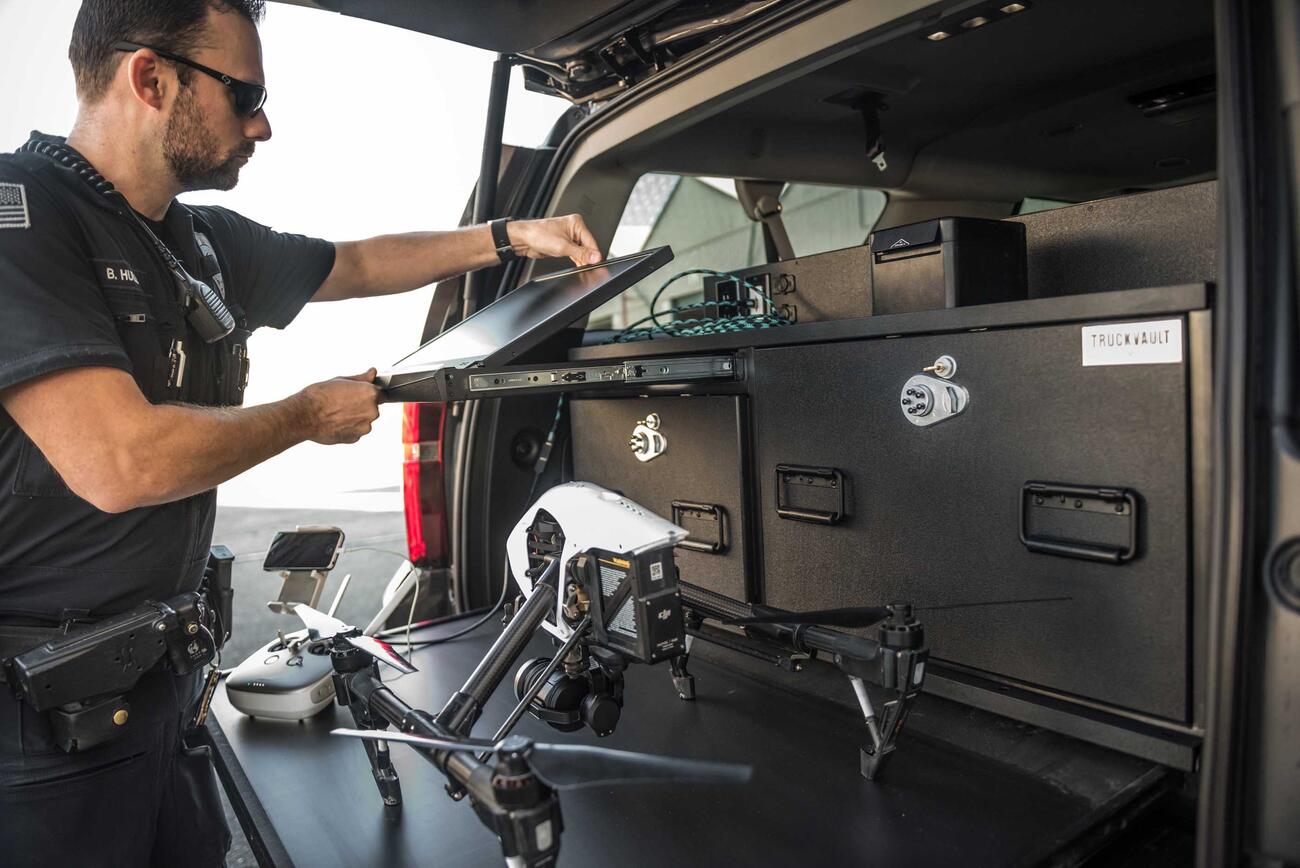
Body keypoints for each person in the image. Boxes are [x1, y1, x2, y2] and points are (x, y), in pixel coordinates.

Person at [0, 1, 603, 864]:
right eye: (244, 94)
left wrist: (509, 236)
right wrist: (305, 417)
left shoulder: (196, 242)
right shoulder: (21, 218)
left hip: (166, 698)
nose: (262, 124)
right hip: (39, 736)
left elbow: (353, 263)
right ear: (150, 77)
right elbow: (117, 462)